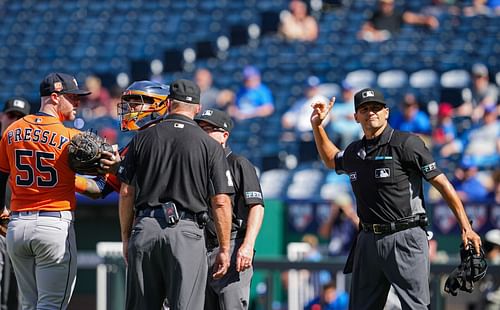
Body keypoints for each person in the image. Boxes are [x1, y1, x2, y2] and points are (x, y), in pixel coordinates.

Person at [310, 88, 482, 309]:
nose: (371, 113)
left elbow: (442, 183)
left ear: (387, 112)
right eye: (364, 109)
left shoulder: (406, 143)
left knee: (415, 307)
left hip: (405, 236)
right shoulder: (355, 152)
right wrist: (317, 126)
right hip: (368, 240)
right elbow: (332, 160)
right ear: (355, 117)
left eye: (376, 108)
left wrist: (466, 227)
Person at [0, 72, 117, 309]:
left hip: (17, 228)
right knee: (51, 305)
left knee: (28, 306)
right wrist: (112, 173)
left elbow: (2, 175)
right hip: (53, 226)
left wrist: (1, 209)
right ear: (54, 97)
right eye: (72, 97)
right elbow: (96, 189)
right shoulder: (70, 138)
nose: (77, 102)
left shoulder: (11, 132)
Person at [118, 79, 234, 310]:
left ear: (169, 103)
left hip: (146, 227)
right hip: (187, 231)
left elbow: (125, 192)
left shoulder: (142, 137)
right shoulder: (209, 145)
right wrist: (224, 248)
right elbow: (221, 202)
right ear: (198, 108)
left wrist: (126, 237)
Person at [195, 108, 265, 310]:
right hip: (200, 245)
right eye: (199, 128)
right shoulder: (197, 165)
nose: (202, 134)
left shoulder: (238, 163)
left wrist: (248, 245)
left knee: (230, 305)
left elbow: (257, 207)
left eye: (208, 129)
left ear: (224, 135)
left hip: (233, 244)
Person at [75, 80, 171, 199]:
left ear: (159, 105)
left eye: (136, 103)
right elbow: (100, 187)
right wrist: (69, 178)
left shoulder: (171, 141)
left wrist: (118, 170)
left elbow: (153, 184)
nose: (130, 109)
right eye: (129, 104)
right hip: (142, 215)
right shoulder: (133, 145)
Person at [0, 97, 31, 310]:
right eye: (11, 115)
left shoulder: (31, 153)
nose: (14, 120)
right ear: (2, 116)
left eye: (20, 117)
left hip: (22, 229)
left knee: (20, 299)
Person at [358, 0, 439, 42]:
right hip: (378, 44)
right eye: (383, 4)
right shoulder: (374, 15)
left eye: (388, 4)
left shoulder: (398, 13)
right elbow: (364, 30)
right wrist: (375, 34)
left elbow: (412, 18)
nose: (386, 6)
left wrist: (426, 20)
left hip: (393, 42)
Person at [282, 76, 329, 141]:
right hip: (299, 134)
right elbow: (290, 116)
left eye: (312, 88)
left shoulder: (322, 100)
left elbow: (325, 120)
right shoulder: (300, 102)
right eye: (308, 87)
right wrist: (287, 118)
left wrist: (315, 131)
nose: (310, 90)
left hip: (315, 133)